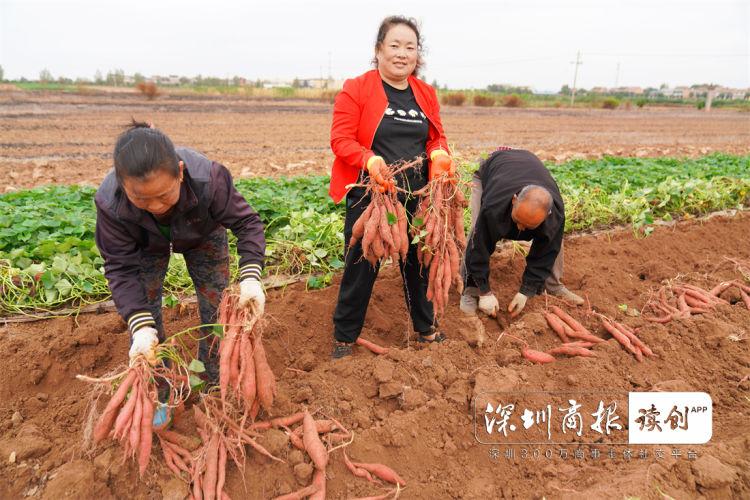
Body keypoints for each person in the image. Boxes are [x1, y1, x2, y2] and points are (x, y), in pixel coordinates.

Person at [95, 121, 266, 422]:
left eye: (163, 195)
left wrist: (251, 276)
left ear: (181, 172)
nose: (155, 206)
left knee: (217, 308)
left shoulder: (209, 180)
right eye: (141, 199)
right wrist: (140, 326)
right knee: (144, 318)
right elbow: (120, 267)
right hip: (144, 245)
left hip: (203, 234)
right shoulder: (112, 204)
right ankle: (160, 392)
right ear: (124, 187)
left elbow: (248, 224)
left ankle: (214, 385)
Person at [328, 16, 457, 359]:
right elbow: (340, 139)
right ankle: (344, 337)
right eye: (395, 46)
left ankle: (425, 329)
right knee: (362, 262)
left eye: (410, 47)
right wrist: (369, 160)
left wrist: (439, 153)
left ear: (418, 54)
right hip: (373, 192)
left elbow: (435, 136)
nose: (402, 54)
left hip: (418, 194)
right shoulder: (356, 88)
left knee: (420, 261)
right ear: (379, 50)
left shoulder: (425, 93)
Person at [460, 147, 584, 318]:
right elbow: (478, 245)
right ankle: (471, 290)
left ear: (546, 216)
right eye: (517, 221)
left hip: (525, 168)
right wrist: (484, 291)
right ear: (514, 200)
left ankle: (553, 285)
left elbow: (547, 250)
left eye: (528, 226)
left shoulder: (554, 214)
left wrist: (527, 291)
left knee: (554, 238)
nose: (520, 229)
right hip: (490, 173)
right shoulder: (493, 207)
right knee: (476, 230)